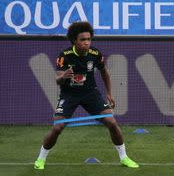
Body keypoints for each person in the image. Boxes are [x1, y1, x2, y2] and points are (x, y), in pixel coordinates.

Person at [34, 22, 139, 169]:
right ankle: (40, 159)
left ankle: (124, 158)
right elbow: (58, 80)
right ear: (74, 41)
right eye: (82, 40)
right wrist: (64, 75)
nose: (86, 43)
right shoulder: (65, 56)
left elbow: (105, 73)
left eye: (88, 39)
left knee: (112, 122)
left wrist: (109, 93)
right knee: (57, 128)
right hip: (69, 95)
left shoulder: (95, 54)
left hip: (91, 93)